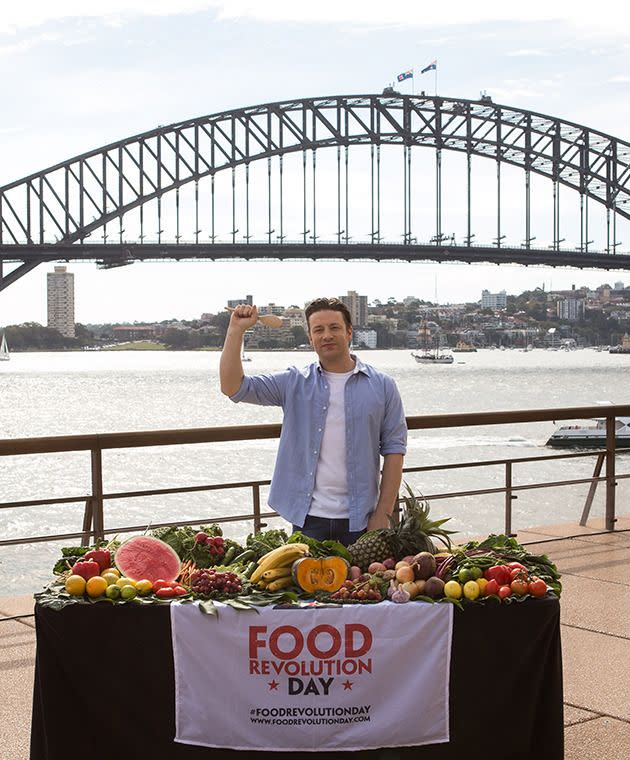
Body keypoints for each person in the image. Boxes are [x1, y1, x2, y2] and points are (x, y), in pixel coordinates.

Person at [219, 297, 407, 545]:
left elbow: (395, 450)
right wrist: (236, 330)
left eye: (334, 327)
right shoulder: (294, 382)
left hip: (361, 518)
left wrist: (383, 514)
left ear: (349, 332)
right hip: (306, 517)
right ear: (310, 338)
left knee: (361, 584)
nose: (326, 335)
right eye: (318, 330)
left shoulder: (383, 386)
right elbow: (233, 387)